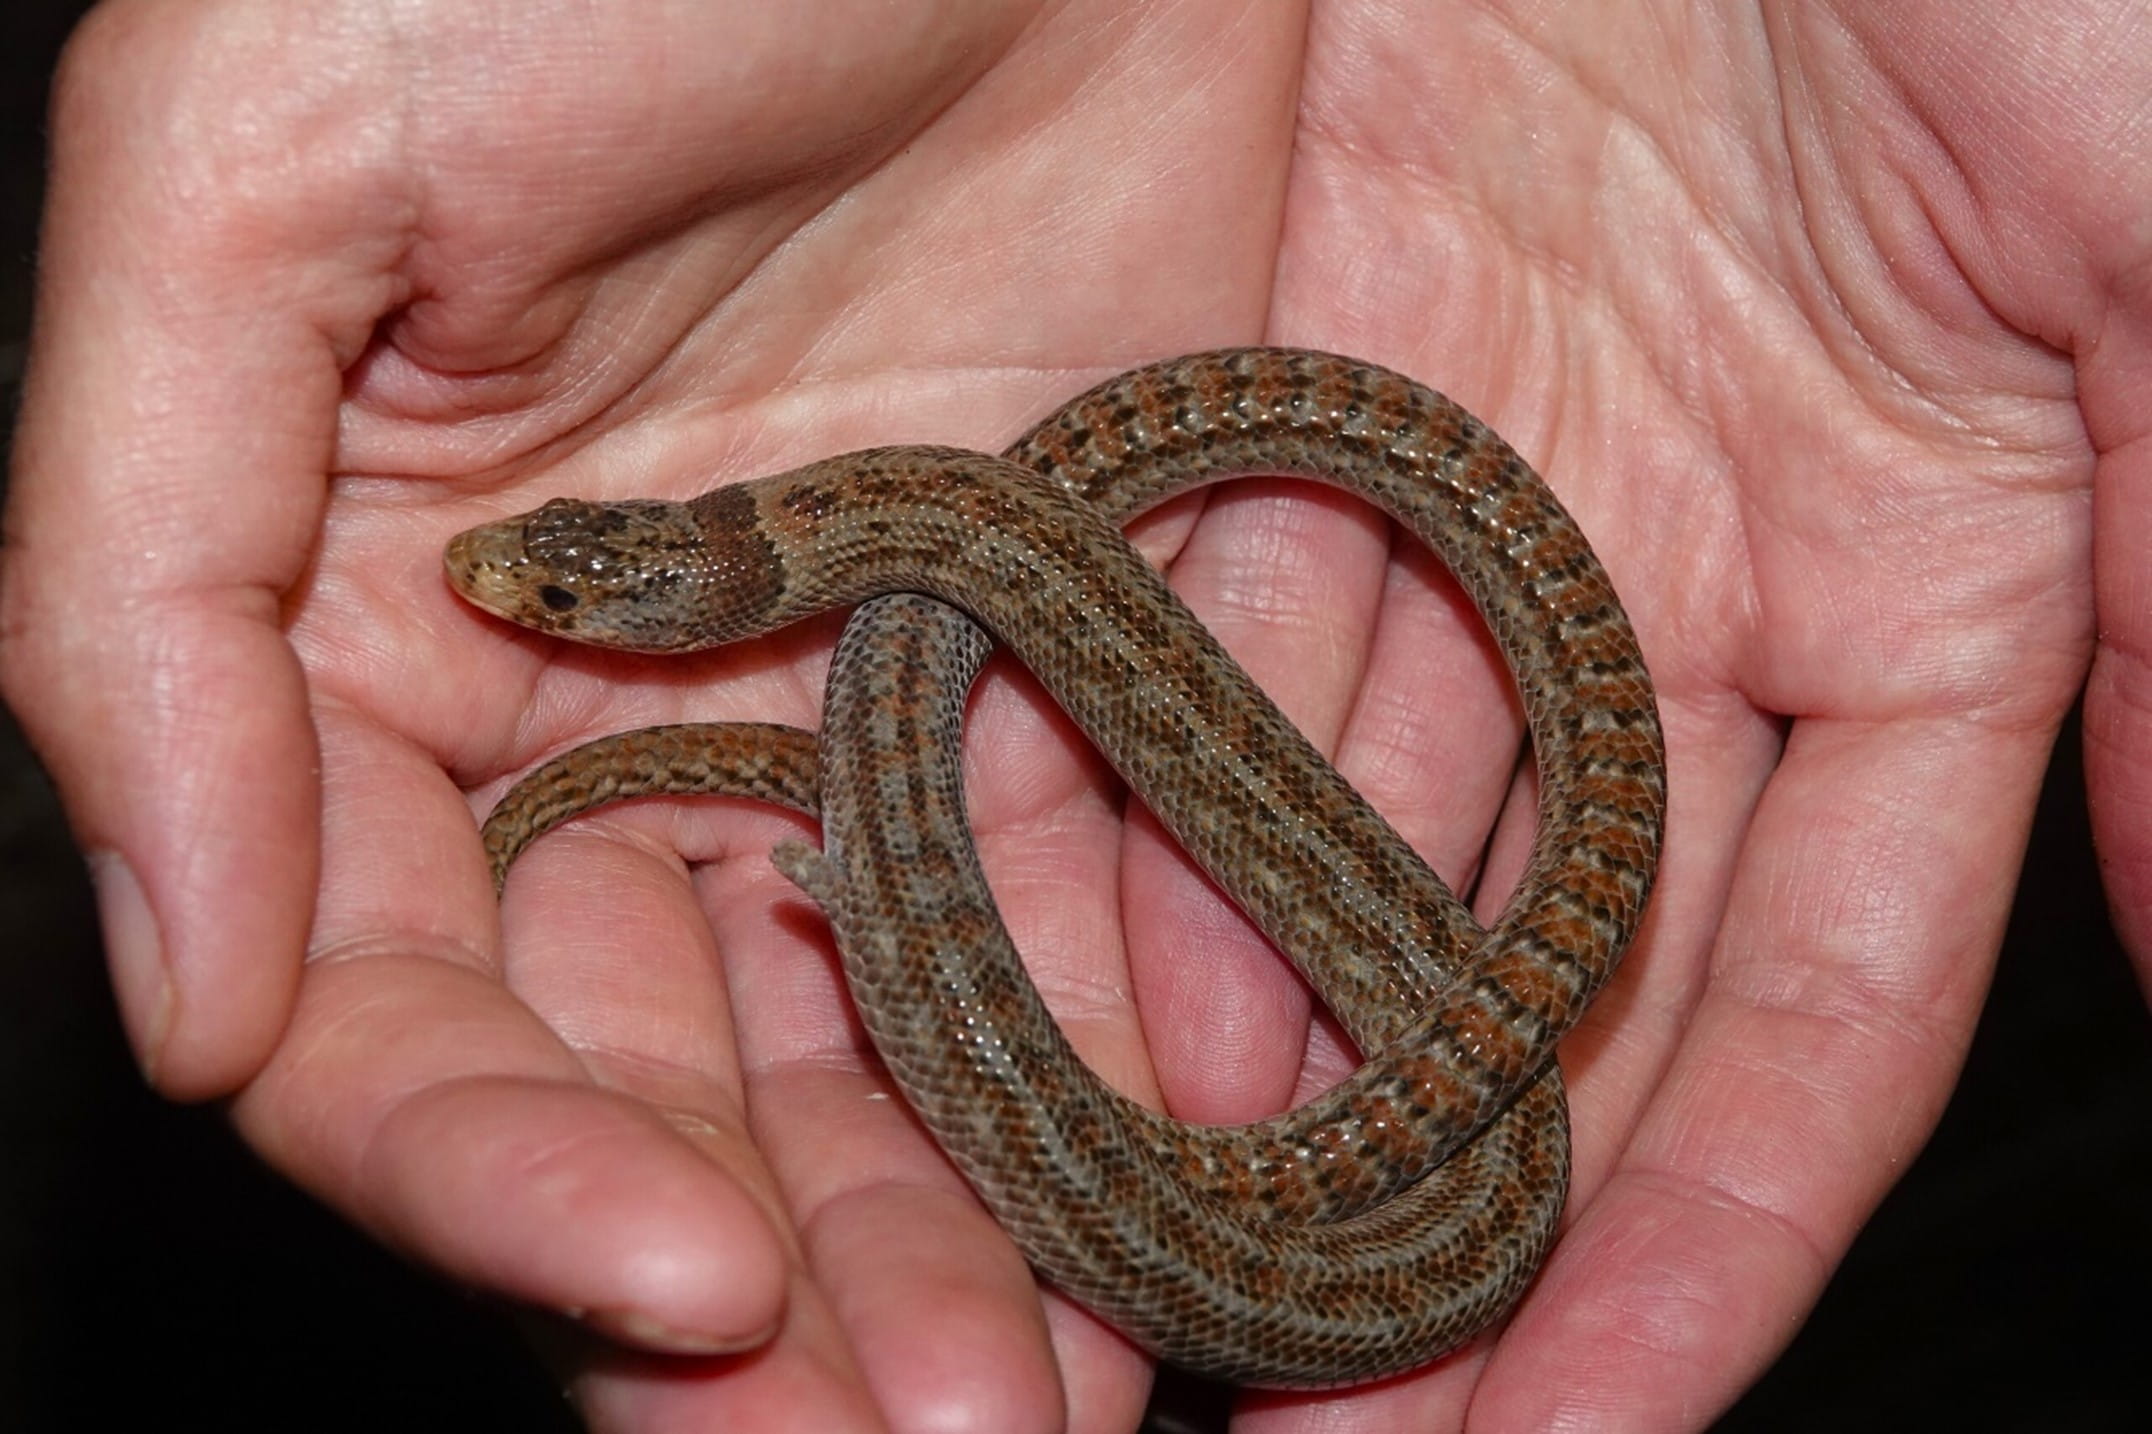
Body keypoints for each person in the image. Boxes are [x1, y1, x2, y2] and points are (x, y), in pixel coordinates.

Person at [5, 2, 2147, 1429]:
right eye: (572, 579)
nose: (523, 591)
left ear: (690, 582)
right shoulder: (929, 540)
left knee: (1427, 1171)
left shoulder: (942, 532)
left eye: (570, 580)